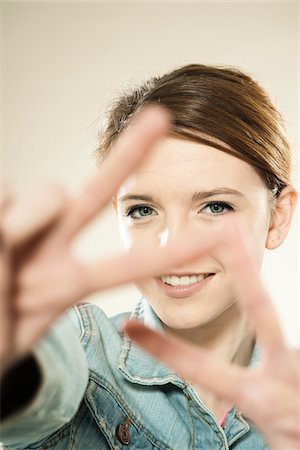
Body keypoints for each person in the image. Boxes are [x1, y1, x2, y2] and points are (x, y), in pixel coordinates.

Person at [0, 64, 299, 450]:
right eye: (142, 210)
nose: (169, 244)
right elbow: (31, 401)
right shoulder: (80, 351)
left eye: (215, 206)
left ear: (279, 216)